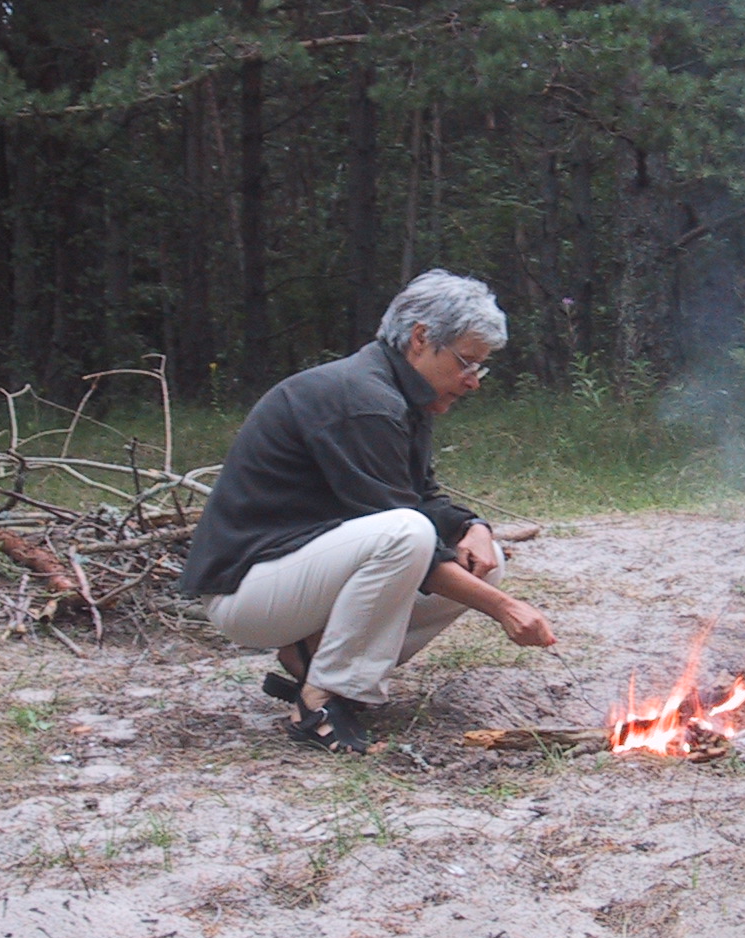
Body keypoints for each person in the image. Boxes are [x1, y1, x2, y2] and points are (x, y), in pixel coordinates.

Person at [180, 269, 557, 754]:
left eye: (480, 368)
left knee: (482, 560)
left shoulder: (398, 393)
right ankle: (320, 700)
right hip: (246, 592)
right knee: (407, 535)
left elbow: (420, 496)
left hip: (291, 578)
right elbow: (409, 532)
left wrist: (473, 526)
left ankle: (311, 656)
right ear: (420, 338)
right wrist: (504, 608)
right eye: (467, 362)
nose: (472, 382)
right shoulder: (361, 400)